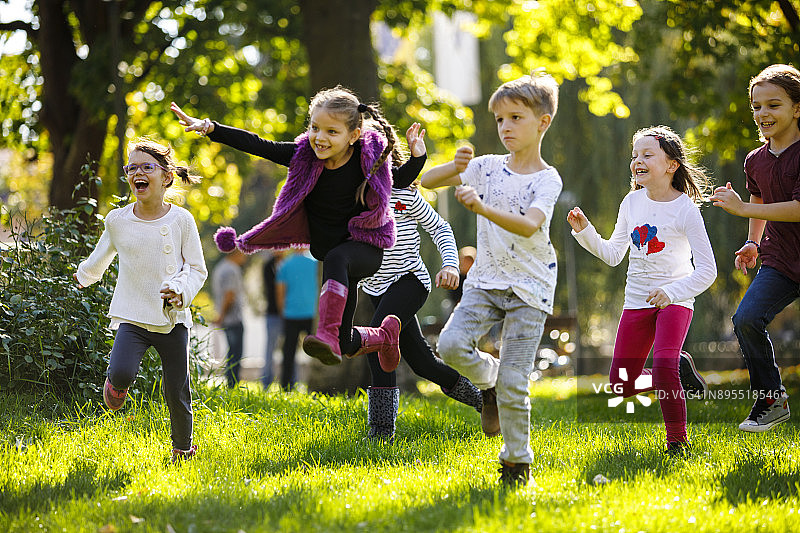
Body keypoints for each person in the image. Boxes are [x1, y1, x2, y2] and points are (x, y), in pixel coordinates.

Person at [170, 87, 426, 373]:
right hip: (334, 258)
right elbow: (258, 144)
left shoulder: (367, 159)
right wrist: (210, 128)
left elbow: (400, 180)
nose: (320, 137)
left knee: (337, 260)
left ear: (353, 136)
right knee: (343, 343)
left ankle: (326, 331)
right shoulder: (304, 157)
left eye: (332, 131)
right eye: (315, 128)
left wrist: (418, 157)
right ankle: (383, 337)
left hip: (366, 248)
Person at [420, 73, 563, 486]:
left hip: (530, 288)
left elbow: (529, 225)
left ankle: (516, 463)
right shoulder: (484, 167)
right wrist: (456, 166)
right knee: (449, 345)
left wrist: (481, 209)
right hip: (485, 280)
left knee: (517, 385)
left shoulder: (546, 179)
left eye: (515, 118)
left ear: (543, 122)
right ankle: (490, 378)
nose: (505, 128)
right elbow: (428, 181)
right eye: (500, 120)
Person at [567, 125, 717, 457]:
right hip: (636, 302)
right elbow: (612, 254)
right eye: (635, 155)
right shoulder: (631, 202)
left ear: (671, 164)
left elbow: (708, 271)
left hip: (675, 301)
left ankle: (677, 443)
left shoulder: (686, 210)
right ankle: (679, 368)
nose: (638, 161)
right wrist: (586, 232)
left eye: (648, 154)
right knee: (621, 384)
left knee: (662, 365)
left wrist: (673, 292)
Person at [74, 138, 207, 464]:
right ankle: (116, 386)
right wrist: (82, 277)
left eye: (146, 167)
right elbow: (99, 258)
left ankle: (182, 449)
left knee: (177, 390)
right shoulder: (118, 221)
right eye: (131, 168)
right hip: (133, 316)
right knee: (120, 371)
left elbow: (196, 269)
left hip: (172, 320)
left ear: (166, 176)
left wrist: (181, 292)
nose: (137, 173)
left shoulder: (181, 221)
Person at [353, 181, 484, 441]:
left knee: (377, 343)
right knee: (424, 364)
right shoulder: (350, 196)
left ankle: (381, 432)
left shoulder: (402, 197)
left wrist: (450, 265)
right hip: (376, 290)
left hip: (410, 281)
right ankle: (485, 400)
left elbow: (439, 227)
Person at [709, 64, 800, 432]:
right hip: (780, 259)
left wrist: (745, 209)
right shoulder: (754, 160)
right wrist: (752, 240)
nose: (763, 114)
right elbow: (759, 194)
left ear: (797, 108)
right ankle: (771, 399)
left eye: (774, 105)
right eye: (757, 107)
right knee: (746, 318)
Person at [275, 249, 318, 388]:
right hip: (311, 314)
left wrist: (282, 312)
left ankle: (286, 386)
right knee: (318, 350)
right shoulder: (316, 263)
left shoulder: (285, 264)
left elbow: (280, 292)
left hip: (291, 314)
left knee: (288, 352)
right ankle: (314, 384)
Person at [211, 247, 247, 388]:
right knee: (235, 354)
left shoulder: (221, 267)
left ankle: (231, 384)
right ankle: (232, 385)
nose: (245, 256)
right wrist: (222, 315)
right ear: (236, 253)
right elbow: (229, 295)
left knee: (232, 353)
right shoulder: (231, 270)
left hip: (227, 318)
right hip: (233, 319)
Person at [262, 251, 285, 388]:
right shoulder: (268, 266)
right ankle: (266, 382)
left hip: (288, 314)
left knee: (288, 349)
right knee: (270, 349)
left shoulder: (286, 264)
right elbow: (273, 288)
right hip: (273, 313)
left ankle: (289, 381)